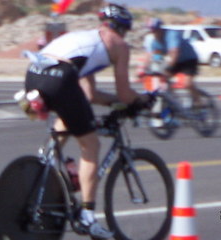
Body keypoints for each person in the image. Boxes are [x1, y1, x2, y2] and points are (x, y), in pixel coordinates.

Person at [24, 3, 150, 239]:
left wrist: (114, 102)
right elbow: (125, 93)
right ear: (124, 29)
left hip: (33, 74)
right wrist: (141, 100)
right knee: (91, 144)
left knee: (67, 119)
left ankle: (44, 172)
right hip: (61, 78)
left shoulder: (87, 39)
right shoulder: (118, 45)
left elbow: (90, 95)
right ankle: (88, 217)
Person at [144, 17, 201, 105]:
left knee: (187, 83)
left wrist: (168, 67)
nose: (154, 33)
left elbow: (174, 52)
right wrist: (145, 69)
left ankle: (198, 101)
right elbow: (153, 56)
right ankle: (174, 102)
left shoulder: (171, 35)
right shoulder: (155, 42)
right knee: (163, 79)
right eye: (152, 31)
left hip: (189, 59)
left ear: (160, 28)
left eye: (155, 30)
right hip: (176, 61)